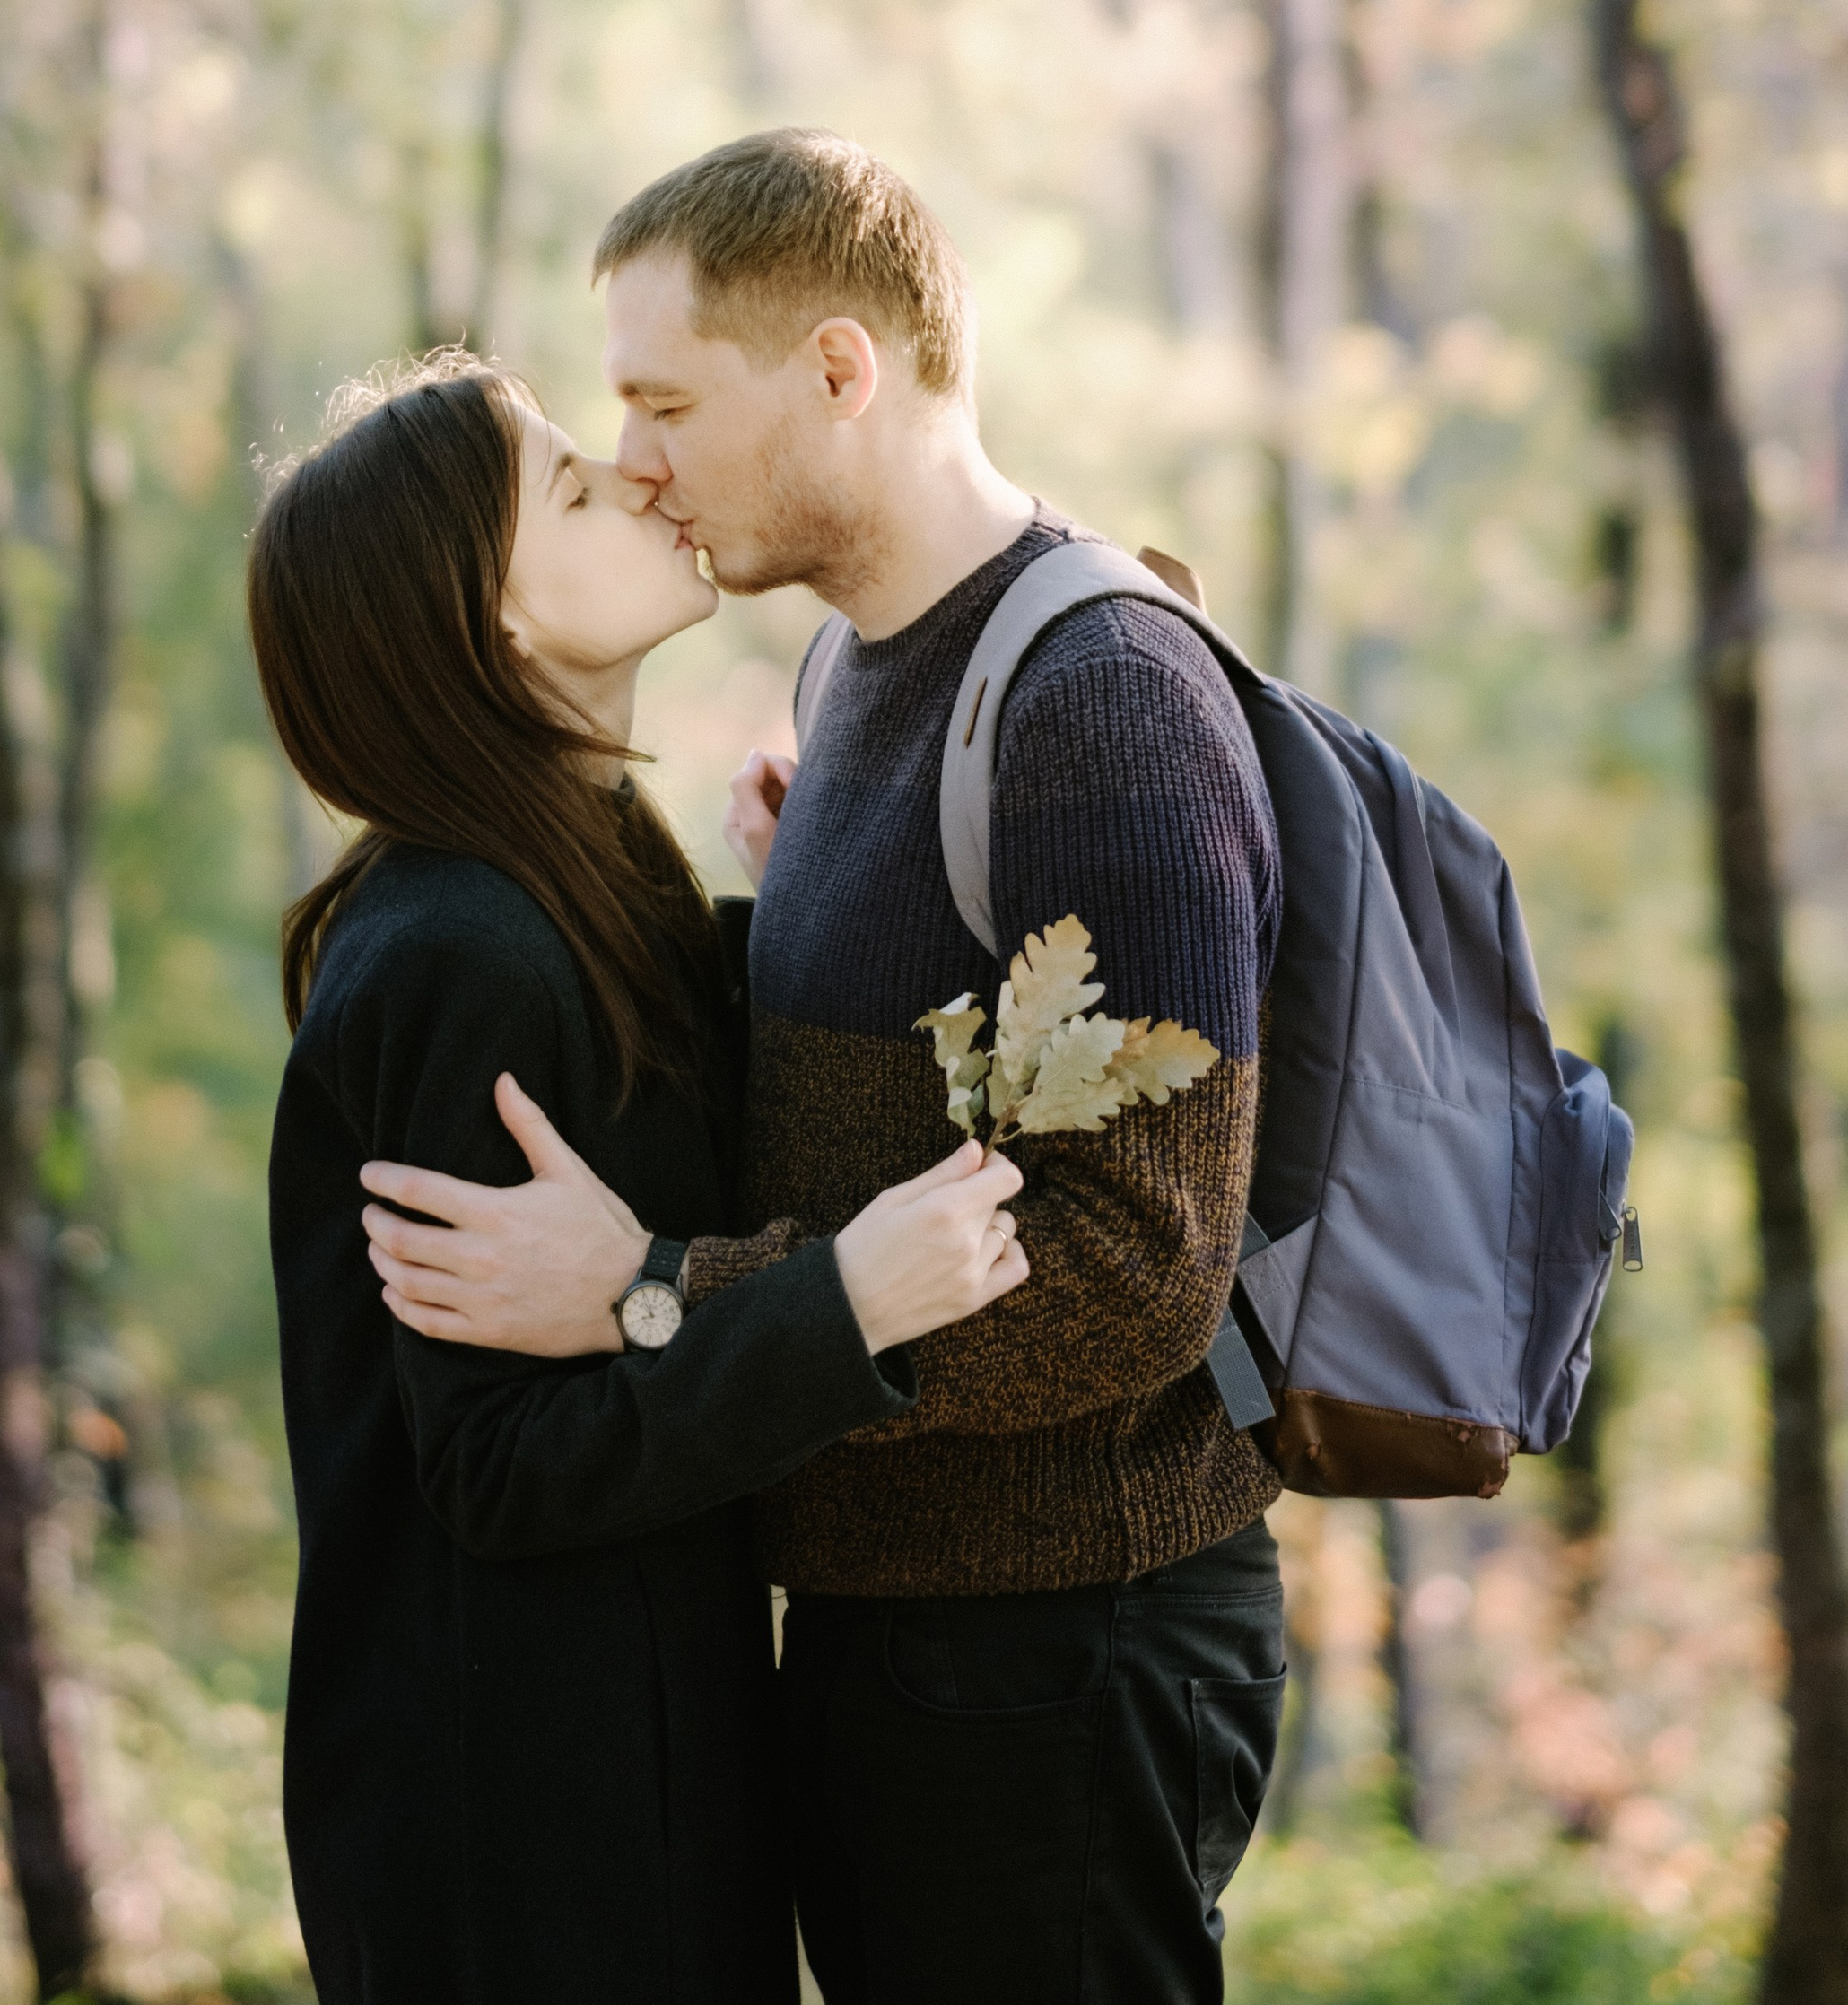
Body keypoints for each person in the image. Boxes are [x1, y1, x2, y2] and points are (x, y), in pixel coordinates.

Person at [364, 132, 1287, 2005]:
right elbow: (879, 1105)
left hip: (1063, 1641)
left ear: (840, 371)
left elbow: (1135, 1268)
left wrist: (648, 1295)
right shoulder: (855, 678)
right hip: (896, 1630)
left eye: (666, 403)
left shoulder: (1099, 698)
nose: (638, 459)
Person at [253, 350, 1028, 2005]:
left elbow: (671, 1169)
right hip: (522, 1844)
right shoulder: (457, 953)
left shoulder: (588, 878)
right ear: (489, 618)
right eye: (571, 485)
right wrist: (840, 1307)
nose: (638, 474)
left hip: (637, 1771)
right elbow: (497, 1463)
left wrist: (800, 904)